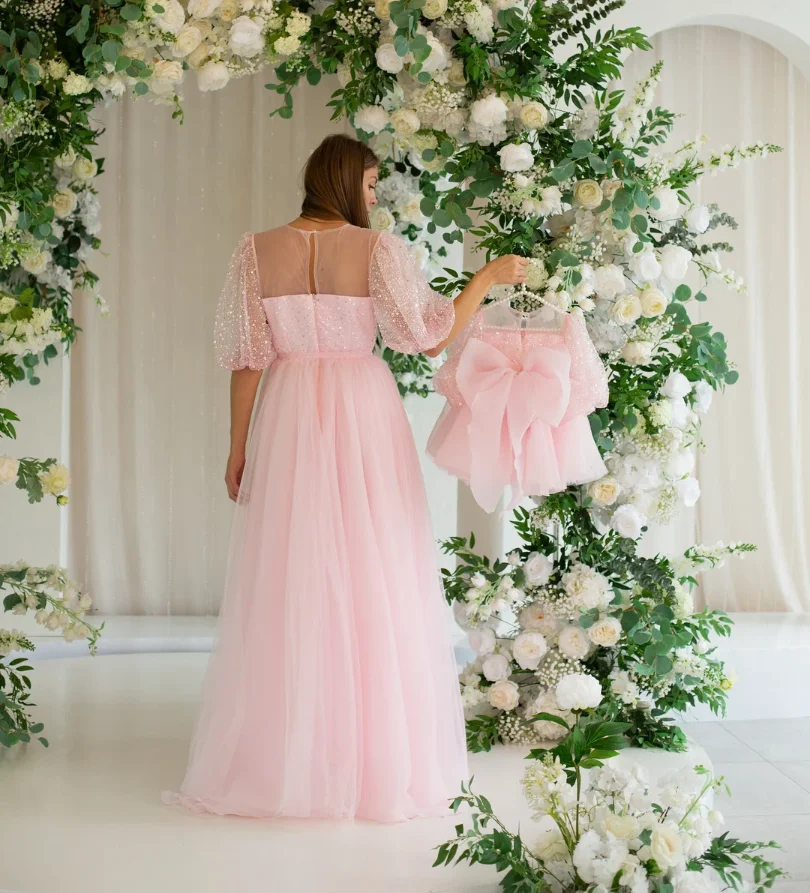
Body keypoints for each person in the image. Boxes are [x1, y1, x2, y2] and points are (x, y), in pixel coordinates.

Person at [162, 133, 528, 823]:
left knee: (293, 574)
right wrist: (486, 278)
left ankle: (294, 751)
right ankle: (371, 754)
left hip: (291, 410)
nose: (373, 197)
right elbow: (426, 335)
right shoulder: (377, 250)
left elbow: (248, 360)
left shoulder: (256, 250)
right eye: (368, 185)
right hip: (362, 411)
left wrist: (237, 445)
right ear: (343, 180)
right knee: (373, 569)